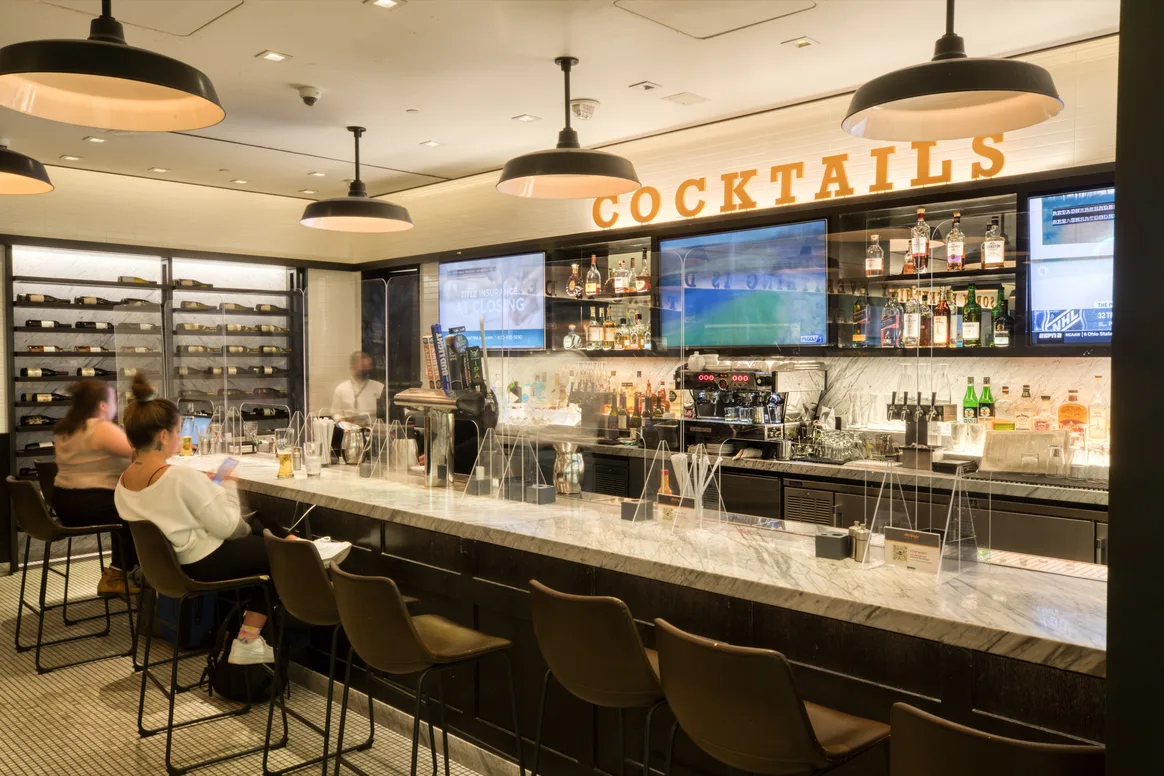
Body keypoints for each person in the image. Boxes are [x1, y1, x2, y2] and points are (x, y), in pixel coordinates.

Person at [114, 373, 351, 665]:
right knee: (281, 555)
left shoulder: (123, 483)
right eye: (178, 431)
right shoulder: (179, 477)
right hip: (202, 561)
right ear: (163, 436)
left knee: (262, 535)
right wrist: (226, 484)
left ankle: (301, 552)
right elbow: (227, 527)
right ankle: (248, 640)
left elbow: (176, 509)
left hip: (170, 566)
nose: (180, 438)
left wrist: (210, 491)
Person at [52, 378, 137, 597]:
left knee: (129, 509)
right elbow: (137, 453)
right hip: (91, 504)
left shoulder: (66, 428)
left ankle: (125, 572)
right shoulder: (99, 428)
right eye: (113, 401)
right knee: (141, 513)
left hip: (64, 503)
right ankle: (120, 575)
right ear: (102, 405)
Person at [330, 350, 385, 421]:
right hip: (349, 429)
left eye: (367, 366)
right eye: (362, 366)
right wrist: (343, 422)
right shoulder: (341, 389)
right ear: (353, 367)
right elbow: (336, 413)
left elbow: (385, 413)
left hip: (373, 429)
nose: (366, 369)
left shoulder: (379, 387)